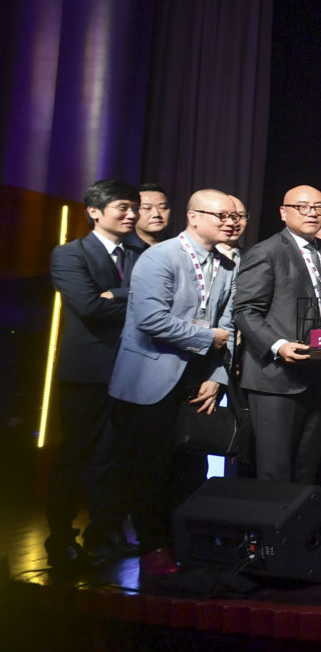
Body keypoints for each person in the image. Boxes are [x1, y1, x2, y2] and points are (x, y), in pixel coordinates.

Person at [104, 189, 242, 561]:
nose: (230, 223)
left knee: (191, 469)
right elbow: (151, 320)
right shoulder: (160, 257)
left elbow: (226, 322)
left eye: (233, 217)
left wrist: (218, 377)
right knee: (149, 471)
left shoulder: (226, 264)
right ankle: (154, 546)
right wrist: (207, 337)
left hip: (197, 381)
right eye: (221, 216)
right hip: (149, 380)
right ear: (193, 217)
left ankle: (187, 543)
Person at [44, 179, 144, 568]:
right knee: (75, 456)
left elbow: (161, 301)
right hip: (88, 371)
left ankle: (106, 531)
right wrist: (136, 300)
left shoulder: (141, 253)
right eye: (123, 207)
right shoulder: (70, 254)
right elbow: (88, 307)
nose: (132, 215)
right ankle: (60, 538)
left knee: (117, 456)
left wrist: (117, 295)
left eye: (134, 207)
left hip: (134, 368)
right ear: (94, 212)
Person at [234, 185, 321, 485]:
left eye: (318, 207)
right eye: (302, 207)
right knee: (275, 469)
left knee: (307, 469)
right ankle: (268, 530)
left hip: (317, 371)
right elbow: (245, 311)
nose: (311, 213)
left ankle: (296, 531)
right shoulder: (266, 252)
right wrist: (278, 345)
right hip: (275, 378)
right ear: (283, 212)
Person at [135, 182, 173, 248]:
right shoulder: (122, 248)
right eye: (147, 208)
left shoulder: (179, 248)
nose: (156, 214)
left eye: (163, 207)